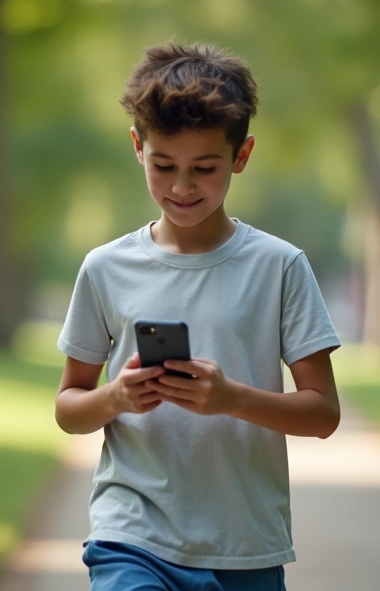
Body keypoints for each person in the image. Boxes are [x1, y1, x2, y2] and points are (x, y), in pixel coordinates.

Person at [55, 43, 341, 591]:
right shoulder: (105, 268)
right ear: (137, 147)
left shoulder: (279, 267)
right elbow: (70, 408)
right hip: (131, 535)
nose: (182, 187)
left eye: (204, 169)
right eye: (163, 166)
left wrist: (232, 399)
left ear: (242, 154)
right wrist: (117, 397)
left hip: (245, 545)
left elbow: (323, 413)